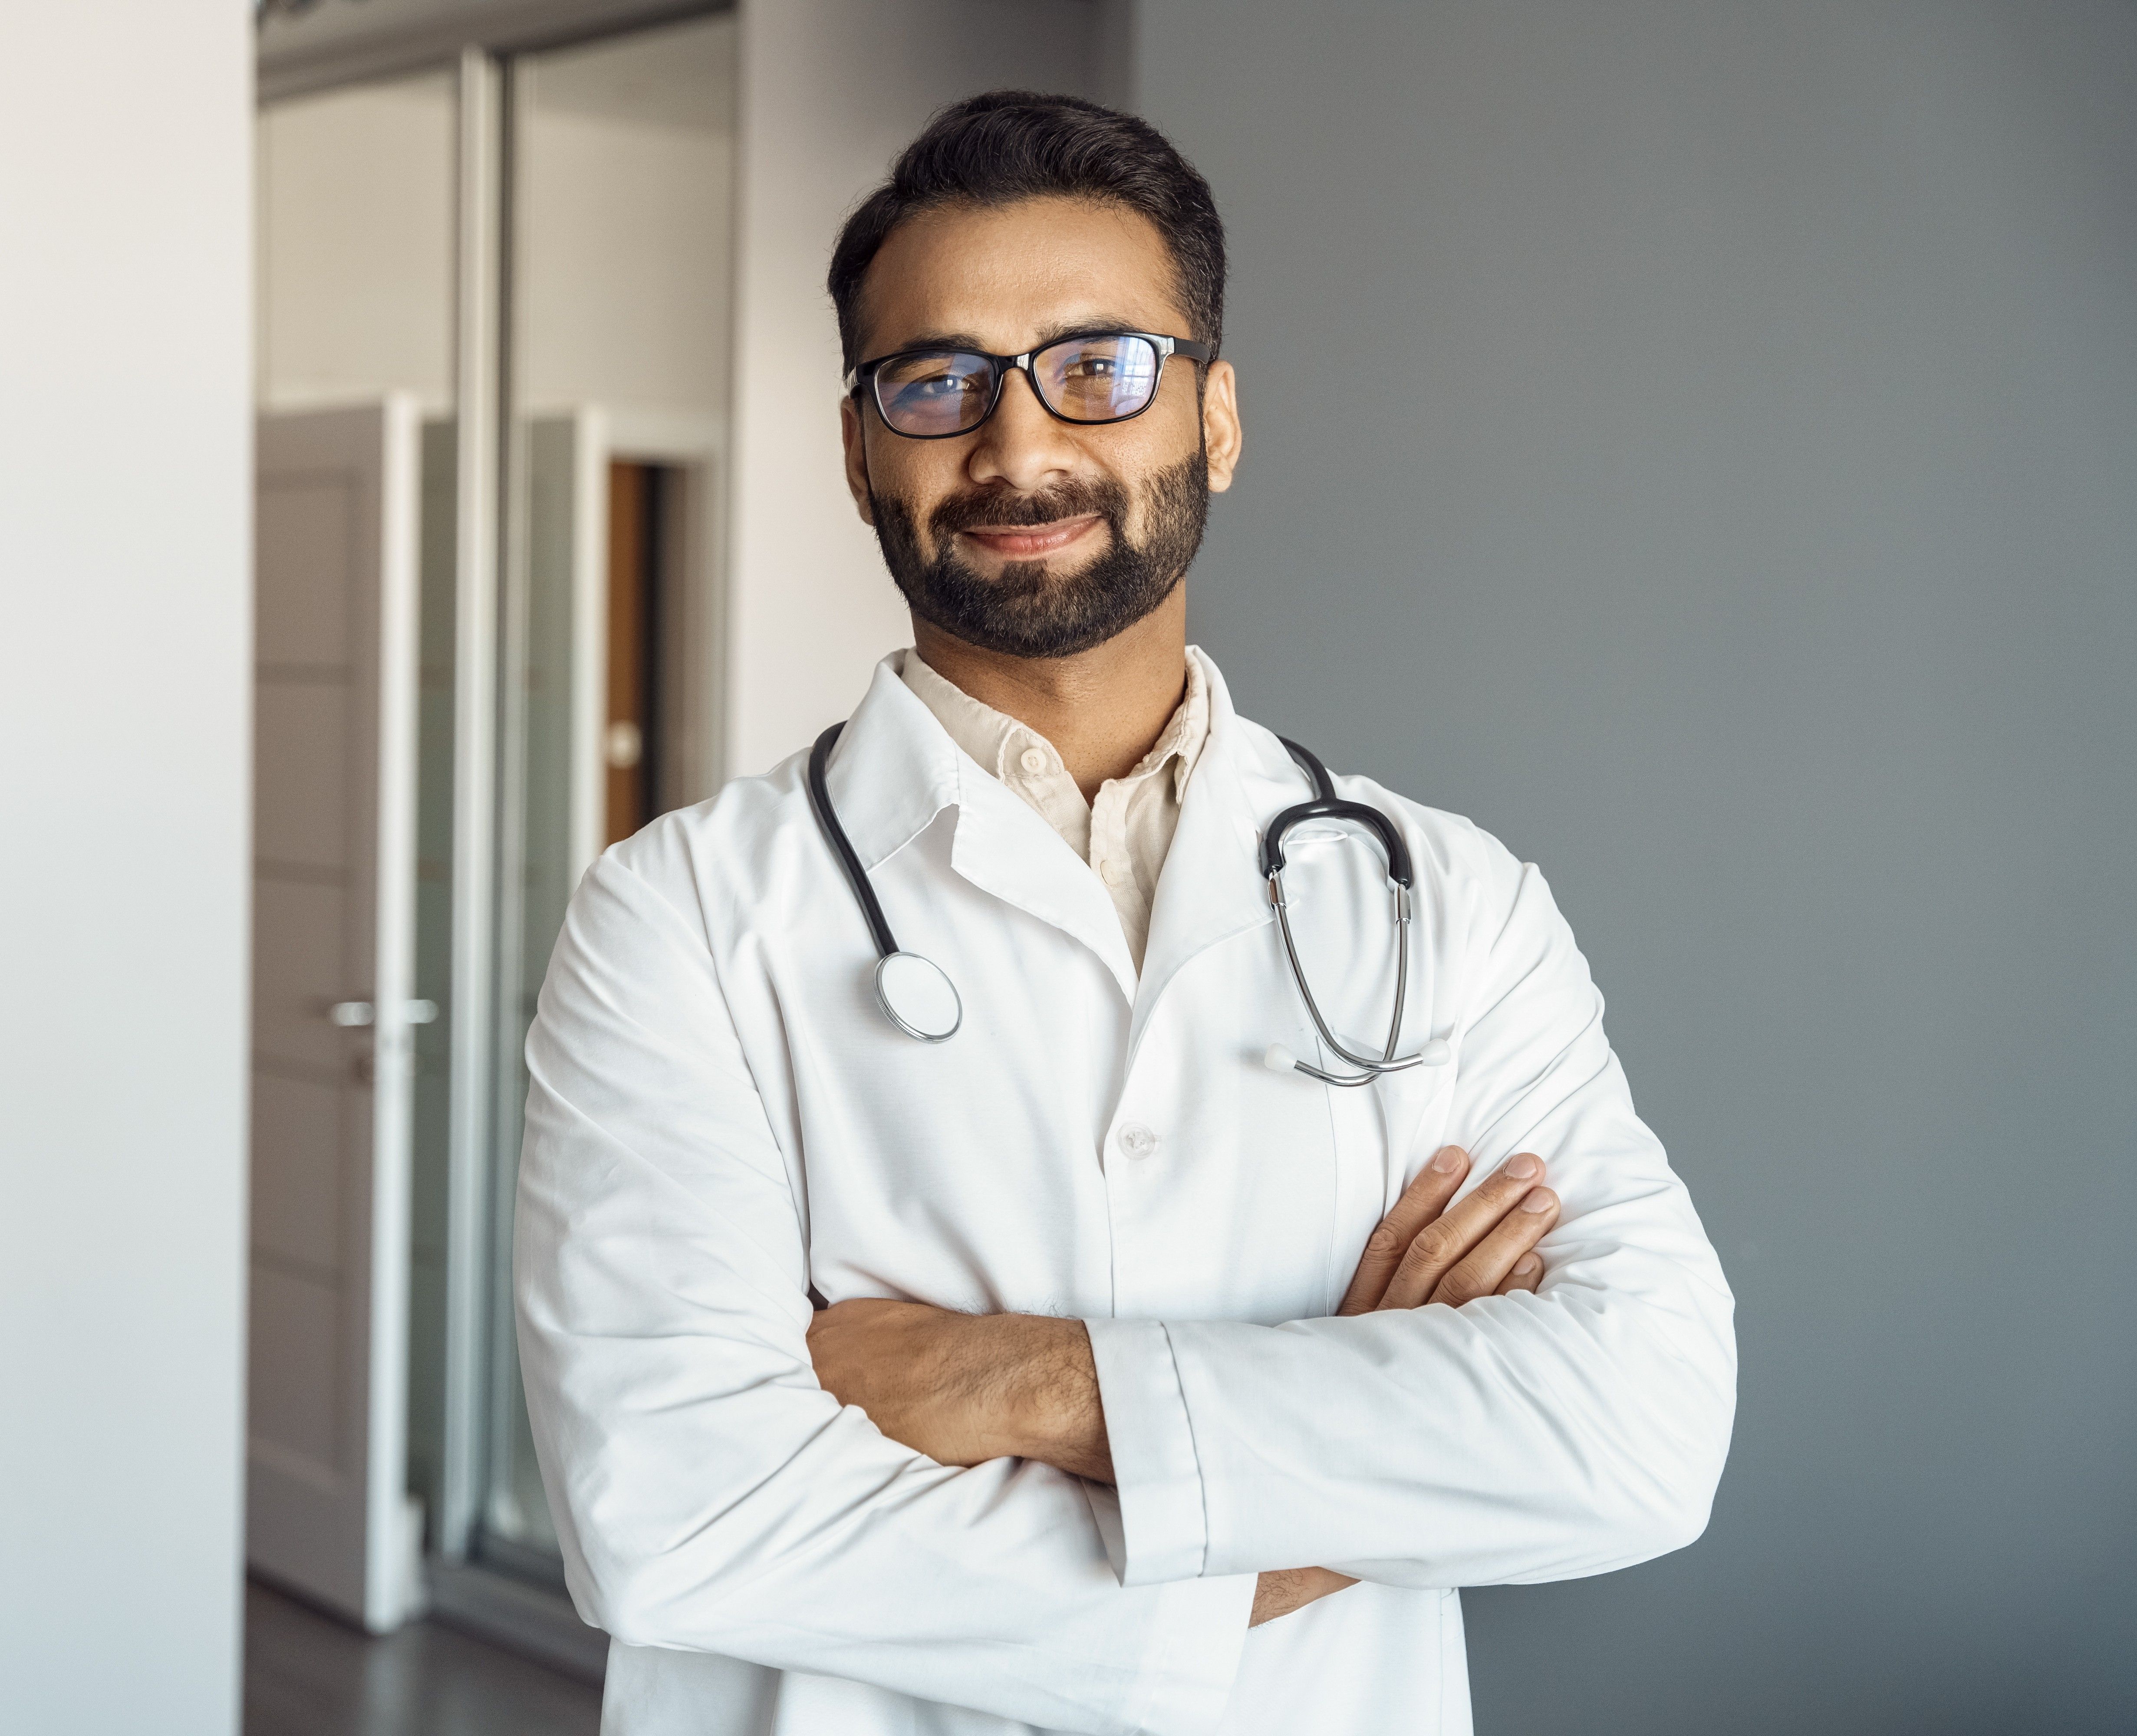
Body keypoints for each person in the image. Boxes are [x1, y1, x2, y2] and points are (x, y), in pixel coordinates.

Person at [515, 90, 1735, 1736]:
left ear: (1214, 418)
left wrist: (1012, 1379)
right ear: (859, 447)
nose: (1018, 449)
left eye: (1097, 366)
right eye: (935, 382)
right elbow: (675, 1519)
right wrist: (1358, 1435)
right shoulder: (677, 914)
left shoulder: (1448, 900)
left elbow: (1639, 1430)